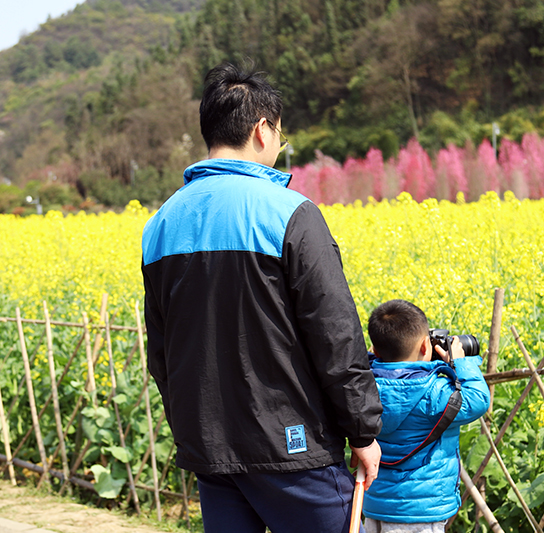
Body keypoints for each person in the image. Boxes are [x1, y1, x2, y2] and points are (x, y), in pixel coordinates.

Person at [140, 62, 382, 533]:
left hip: (212, 453)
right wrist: (363, 429)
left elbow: (162, 351)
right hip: (293, 452)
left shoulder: (161, 225)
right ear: (262, 129)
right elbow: (334, 333)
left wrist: (197, 429)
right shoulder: (289, 213)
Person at [363, 299, 490, 533]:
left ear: (376, 350)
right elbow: (478, 400)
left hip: (374, 507)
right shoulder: (434, 393)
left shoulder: (364, 388)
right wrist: (461, 363)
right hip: (421, 512)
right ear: (425, 346)